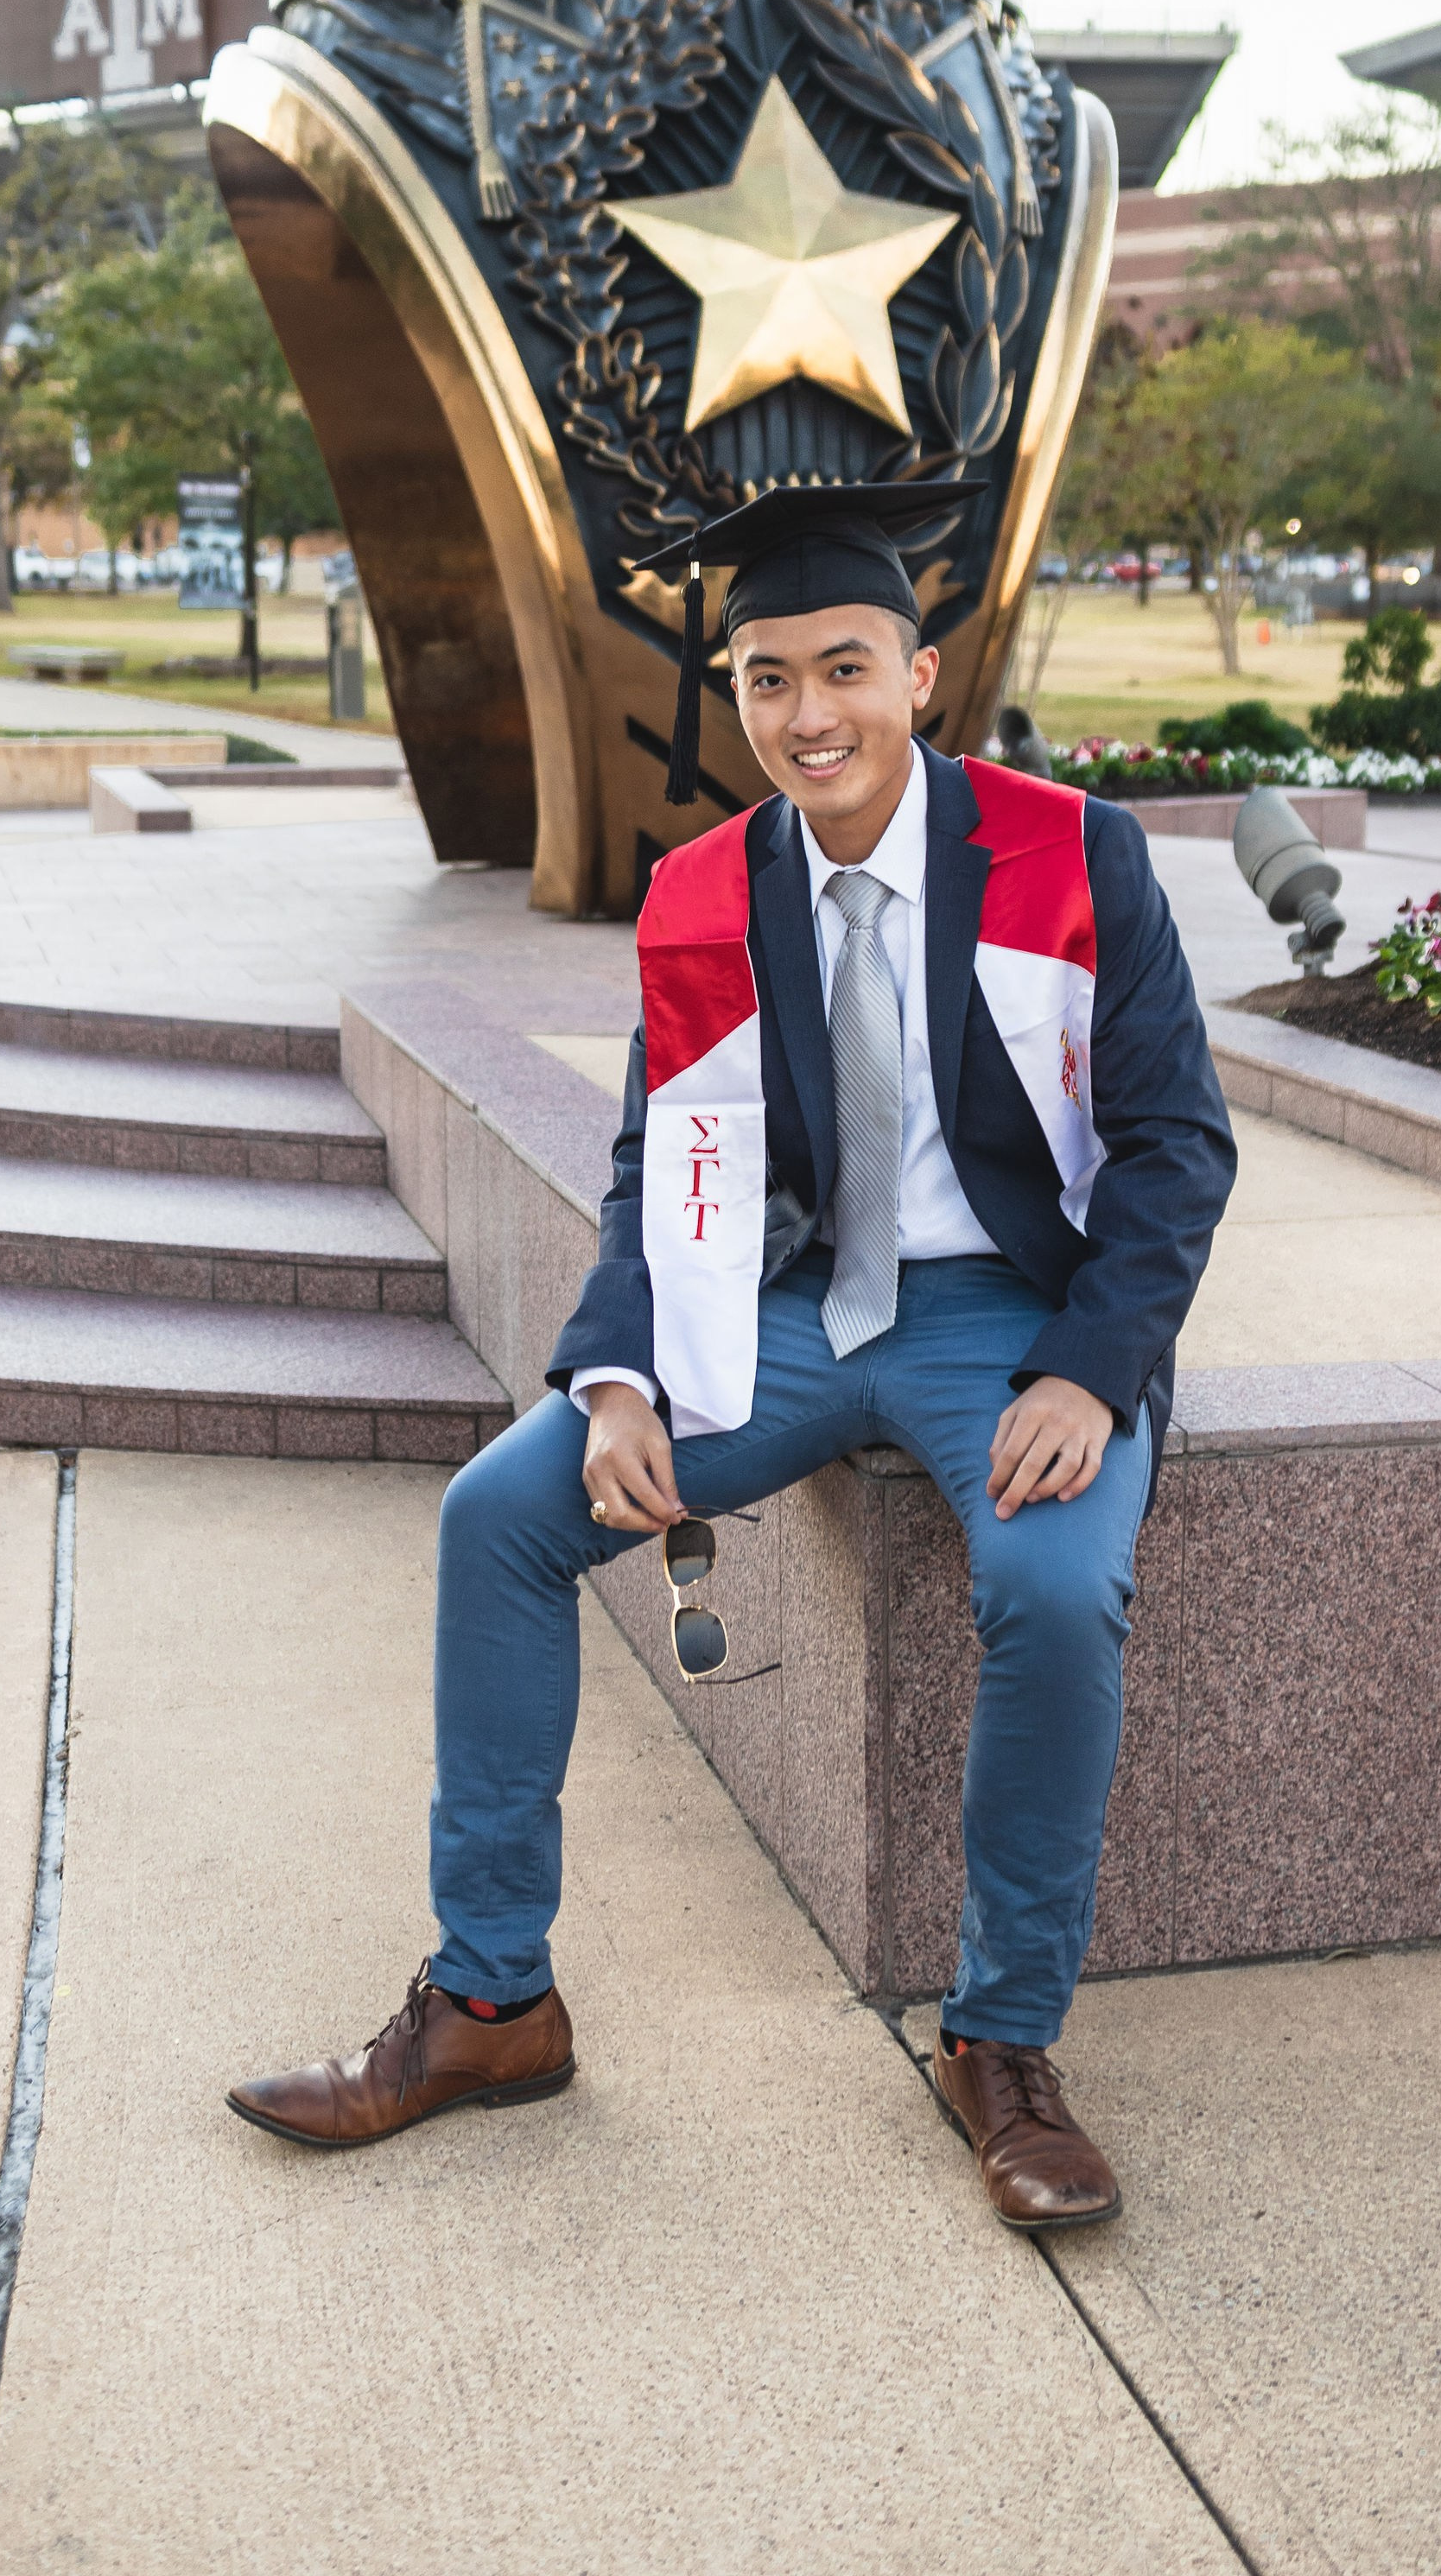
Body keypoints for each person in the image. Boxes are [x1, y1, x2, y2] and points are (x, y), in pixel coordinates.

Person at [229, 482, 1236, 2227]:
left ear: (922, 677)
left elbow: (1173, 1148)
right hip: (770, 1314)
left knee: (1059, 1592)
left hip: (1011, 1318)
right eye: (767, 680)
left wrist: (1090, 1365)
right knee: (502, 1517)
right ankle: (491, 2002)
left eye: (843, 668)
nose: (806, 716)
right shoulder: (706, 890)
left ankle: (1000, 2046)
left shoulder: (1075, 853)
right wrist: (614, 1366)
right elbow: (656, 1158)